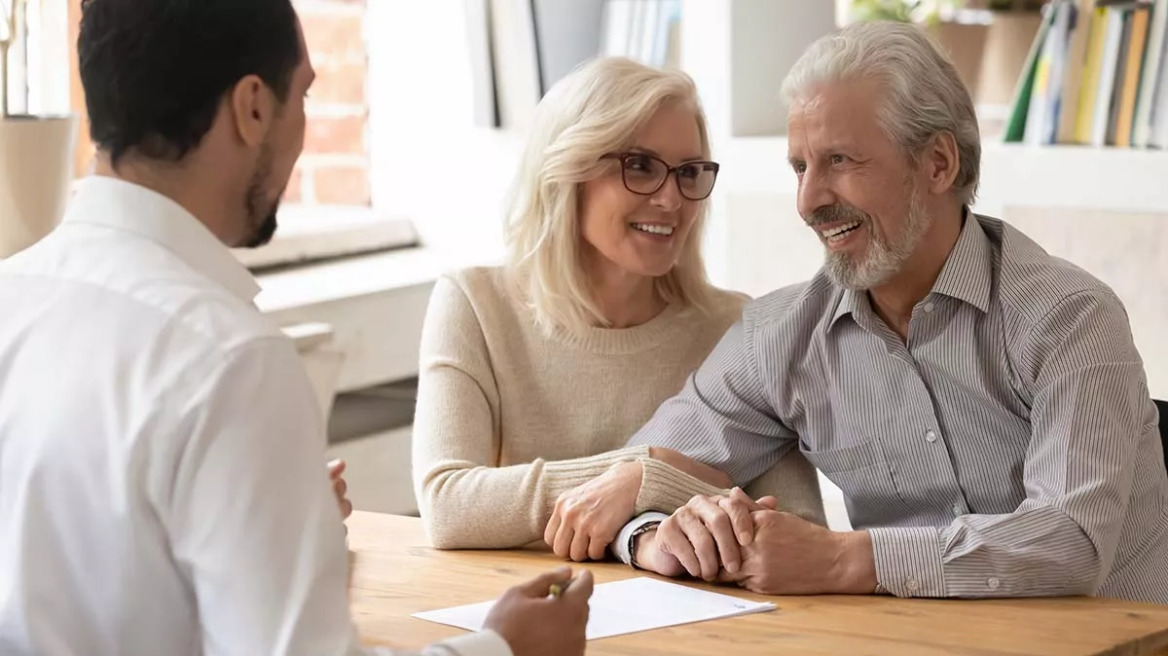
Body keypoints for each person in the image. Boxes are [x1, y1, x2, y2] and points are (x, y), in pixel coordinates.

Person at [0, 1, 592, 655]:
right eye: (304, 94)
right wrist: (502, 648)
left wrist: (282, 534)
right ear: (253, 107)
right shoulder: (229, 360)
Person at [611, 20, 1168, 603]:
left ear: (937, 165)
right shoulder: (781, 338)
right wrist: (657, 537)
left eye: (841, 161)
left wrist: (843, 559)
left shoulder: (1070, 319)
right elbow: (627, 484)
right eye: (800, 167)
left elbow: (1070, 542)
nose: (809, 201)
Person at [411, 56, 824, 559]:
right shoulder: (475, 304)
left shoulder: (737, 327)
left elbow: (796, 526)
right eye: (641, 166)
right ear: (566, 173)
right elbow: (448, 504)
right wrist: (650, 465)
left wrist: (639, 485)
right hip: (531, 616)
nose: (673, 200)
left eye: (688, 172)